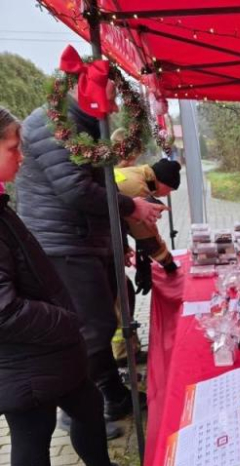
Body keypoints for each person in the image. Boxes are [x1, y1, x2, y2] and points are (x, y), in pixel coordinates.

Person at [0, 106, 141, 466]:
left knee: (84, 402)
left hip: (49, 347)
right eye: (10, 147)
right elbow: (4, 309)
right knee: (31, 432)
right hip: (24, 358)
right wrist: (66, 322)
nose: (20, 156)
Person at [14, 55, 166, 427]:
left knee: (104, 318)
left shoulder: (81, 124)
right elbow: (77, 191)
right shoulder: (53, 126)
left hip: (85, 238)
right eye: (112, 95)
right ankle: (80, 406)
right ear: (87, 90)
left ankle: (113, 394)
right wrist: (133, 209)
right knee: (93, 326)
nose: (115, 105)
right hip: (64, 243)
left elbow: (100, 184)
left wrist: (118, 242)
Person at [112, 159, 181, 364]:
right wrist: (169, 264)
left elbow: (119, 218)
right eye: (169, 190)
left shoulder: (132, 173)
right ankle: (124, 355)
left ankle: (128, 349)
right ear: (161, 181)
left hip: (101, 240)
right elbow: (147, 235)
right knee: (119, 294)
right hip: (90, 246)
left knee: (123, 288)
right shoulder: (138, 187)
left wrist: (123, 246)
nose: (168, 195)